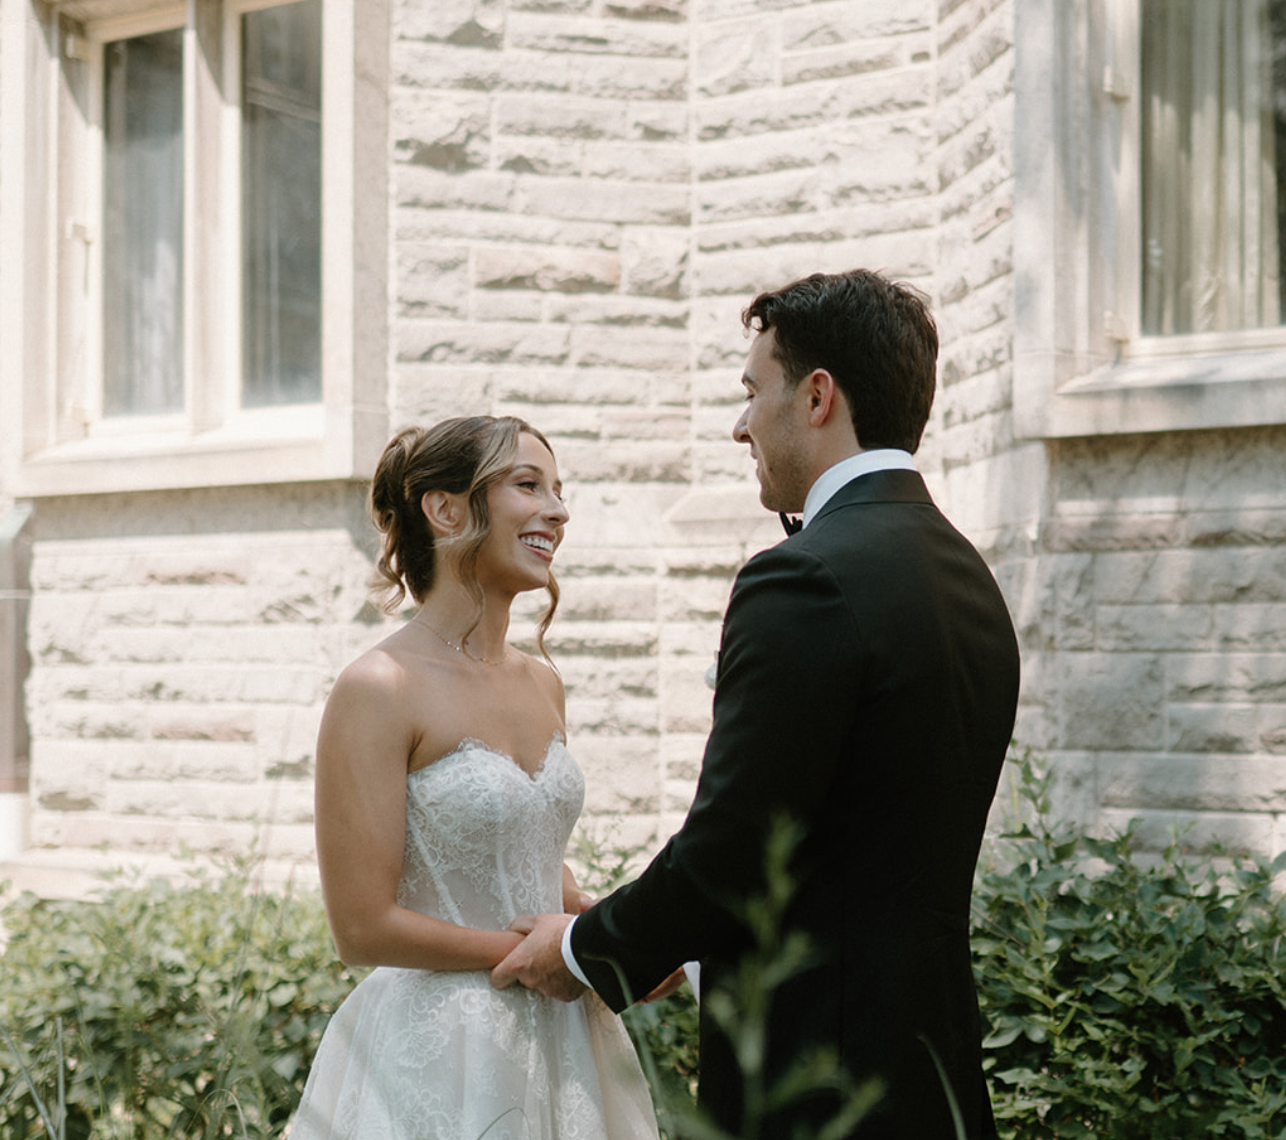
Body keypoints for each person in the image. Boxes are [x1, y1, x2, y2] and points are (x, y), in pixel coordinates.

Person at [492, 270, 1021, 1140]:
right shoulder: (964, 574)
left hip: (817, 1089)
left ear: (817, 397)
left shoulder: (805, 575)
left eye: (751, 391)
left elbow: (738, 838)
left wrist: (590, 951)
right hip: (933, 1077)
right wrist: (690, 955)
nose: (740, 425)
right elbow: (858, 842)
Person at [286, 416, 658, 1140]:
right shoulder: (379, 686)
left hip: (566, 1041)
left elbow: (534, 868)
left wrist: (617, 936)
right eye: (529, 485)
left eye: (560, 490)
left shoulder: (543, 684)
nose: (558, 509)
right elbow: (361, 927)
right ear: (445, 508)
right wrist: (545, 956)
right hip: (440, 1051)